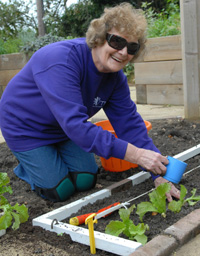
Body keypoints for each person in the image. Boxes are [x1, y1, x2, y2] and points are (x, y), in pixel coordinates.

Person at [0, 2, 180, 202]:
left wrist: (158, 174)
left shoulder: (115, 78)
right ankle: (28, 166)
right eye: (117, 41)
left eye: (132, 47)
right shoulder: (62, 60)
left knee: (86, 180)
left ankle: (51, 155)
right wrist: (136, 155)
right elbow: (76, 125)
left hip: (63, 128)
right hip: (25, 127)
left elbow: (129, 125)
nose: (123, 52)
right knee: (60, 190)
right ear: (100, 38)